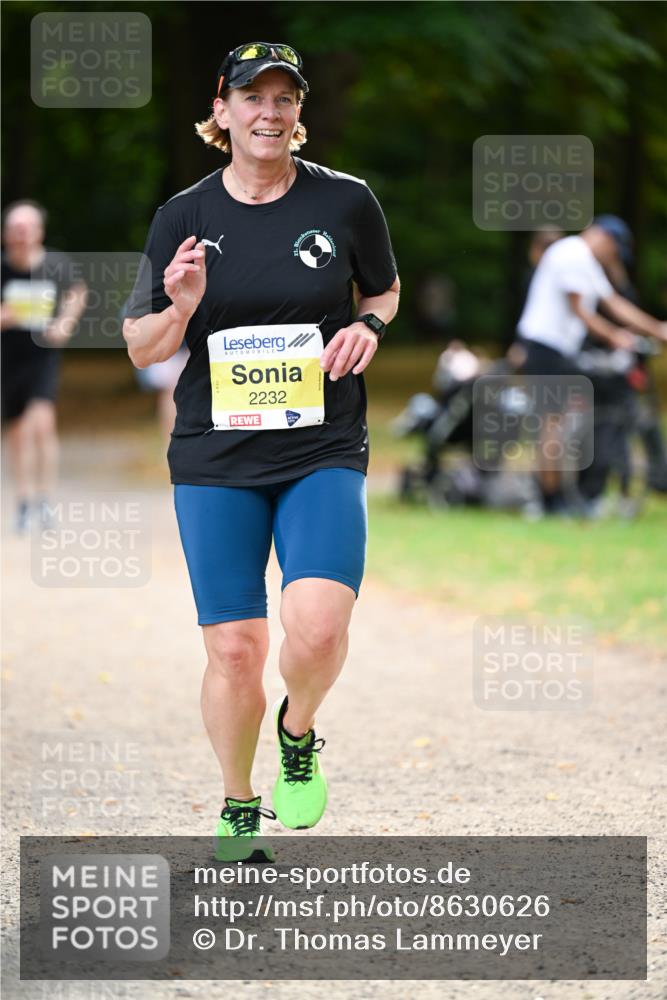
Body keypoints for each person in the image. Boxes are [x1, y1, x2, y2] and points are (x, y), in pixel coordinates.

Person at [123, 42, 399, 859]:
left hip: (320, 445)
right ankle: (238, 804)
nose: (268, 113)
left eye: (284, 99)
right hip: (216, 457)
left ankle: (299, 729)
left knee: (315, 627)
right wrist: (178, 308)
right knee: (235, 647)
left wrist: (368, 326)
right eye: (253, 98)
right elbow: (141, 346)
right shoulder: (184, 215)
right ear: (222, 109)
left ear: (298, 113)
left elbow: (379, 287)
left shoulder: (346, 202)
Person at [516, 216, 667, 515]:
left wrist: (655, 328)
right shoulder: (572, 254)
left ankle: (567, 493)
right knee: (552, 424)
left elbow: (613, 303)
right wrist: (615, 337)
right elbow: (580, 310)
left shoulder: (585, 260)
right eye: (614, 251)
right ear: (604, 239)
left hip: (557, 350)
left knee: (561, 419)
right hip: (545, 348)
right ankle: (549, 498)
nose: (612, 258)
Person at [1, 200, 87, 532]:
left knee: (42, 423)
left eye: (27, 229)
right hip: (9, 358)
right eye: (15, 230)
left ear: (39, 232)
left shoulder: (55, 264)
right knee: (18, 431)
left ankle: (45, 499)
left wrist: (65, 323)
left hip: (43, 357)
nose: (21, 236)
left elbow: (77, 294)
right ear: (6, 234)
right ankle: (23, 501)